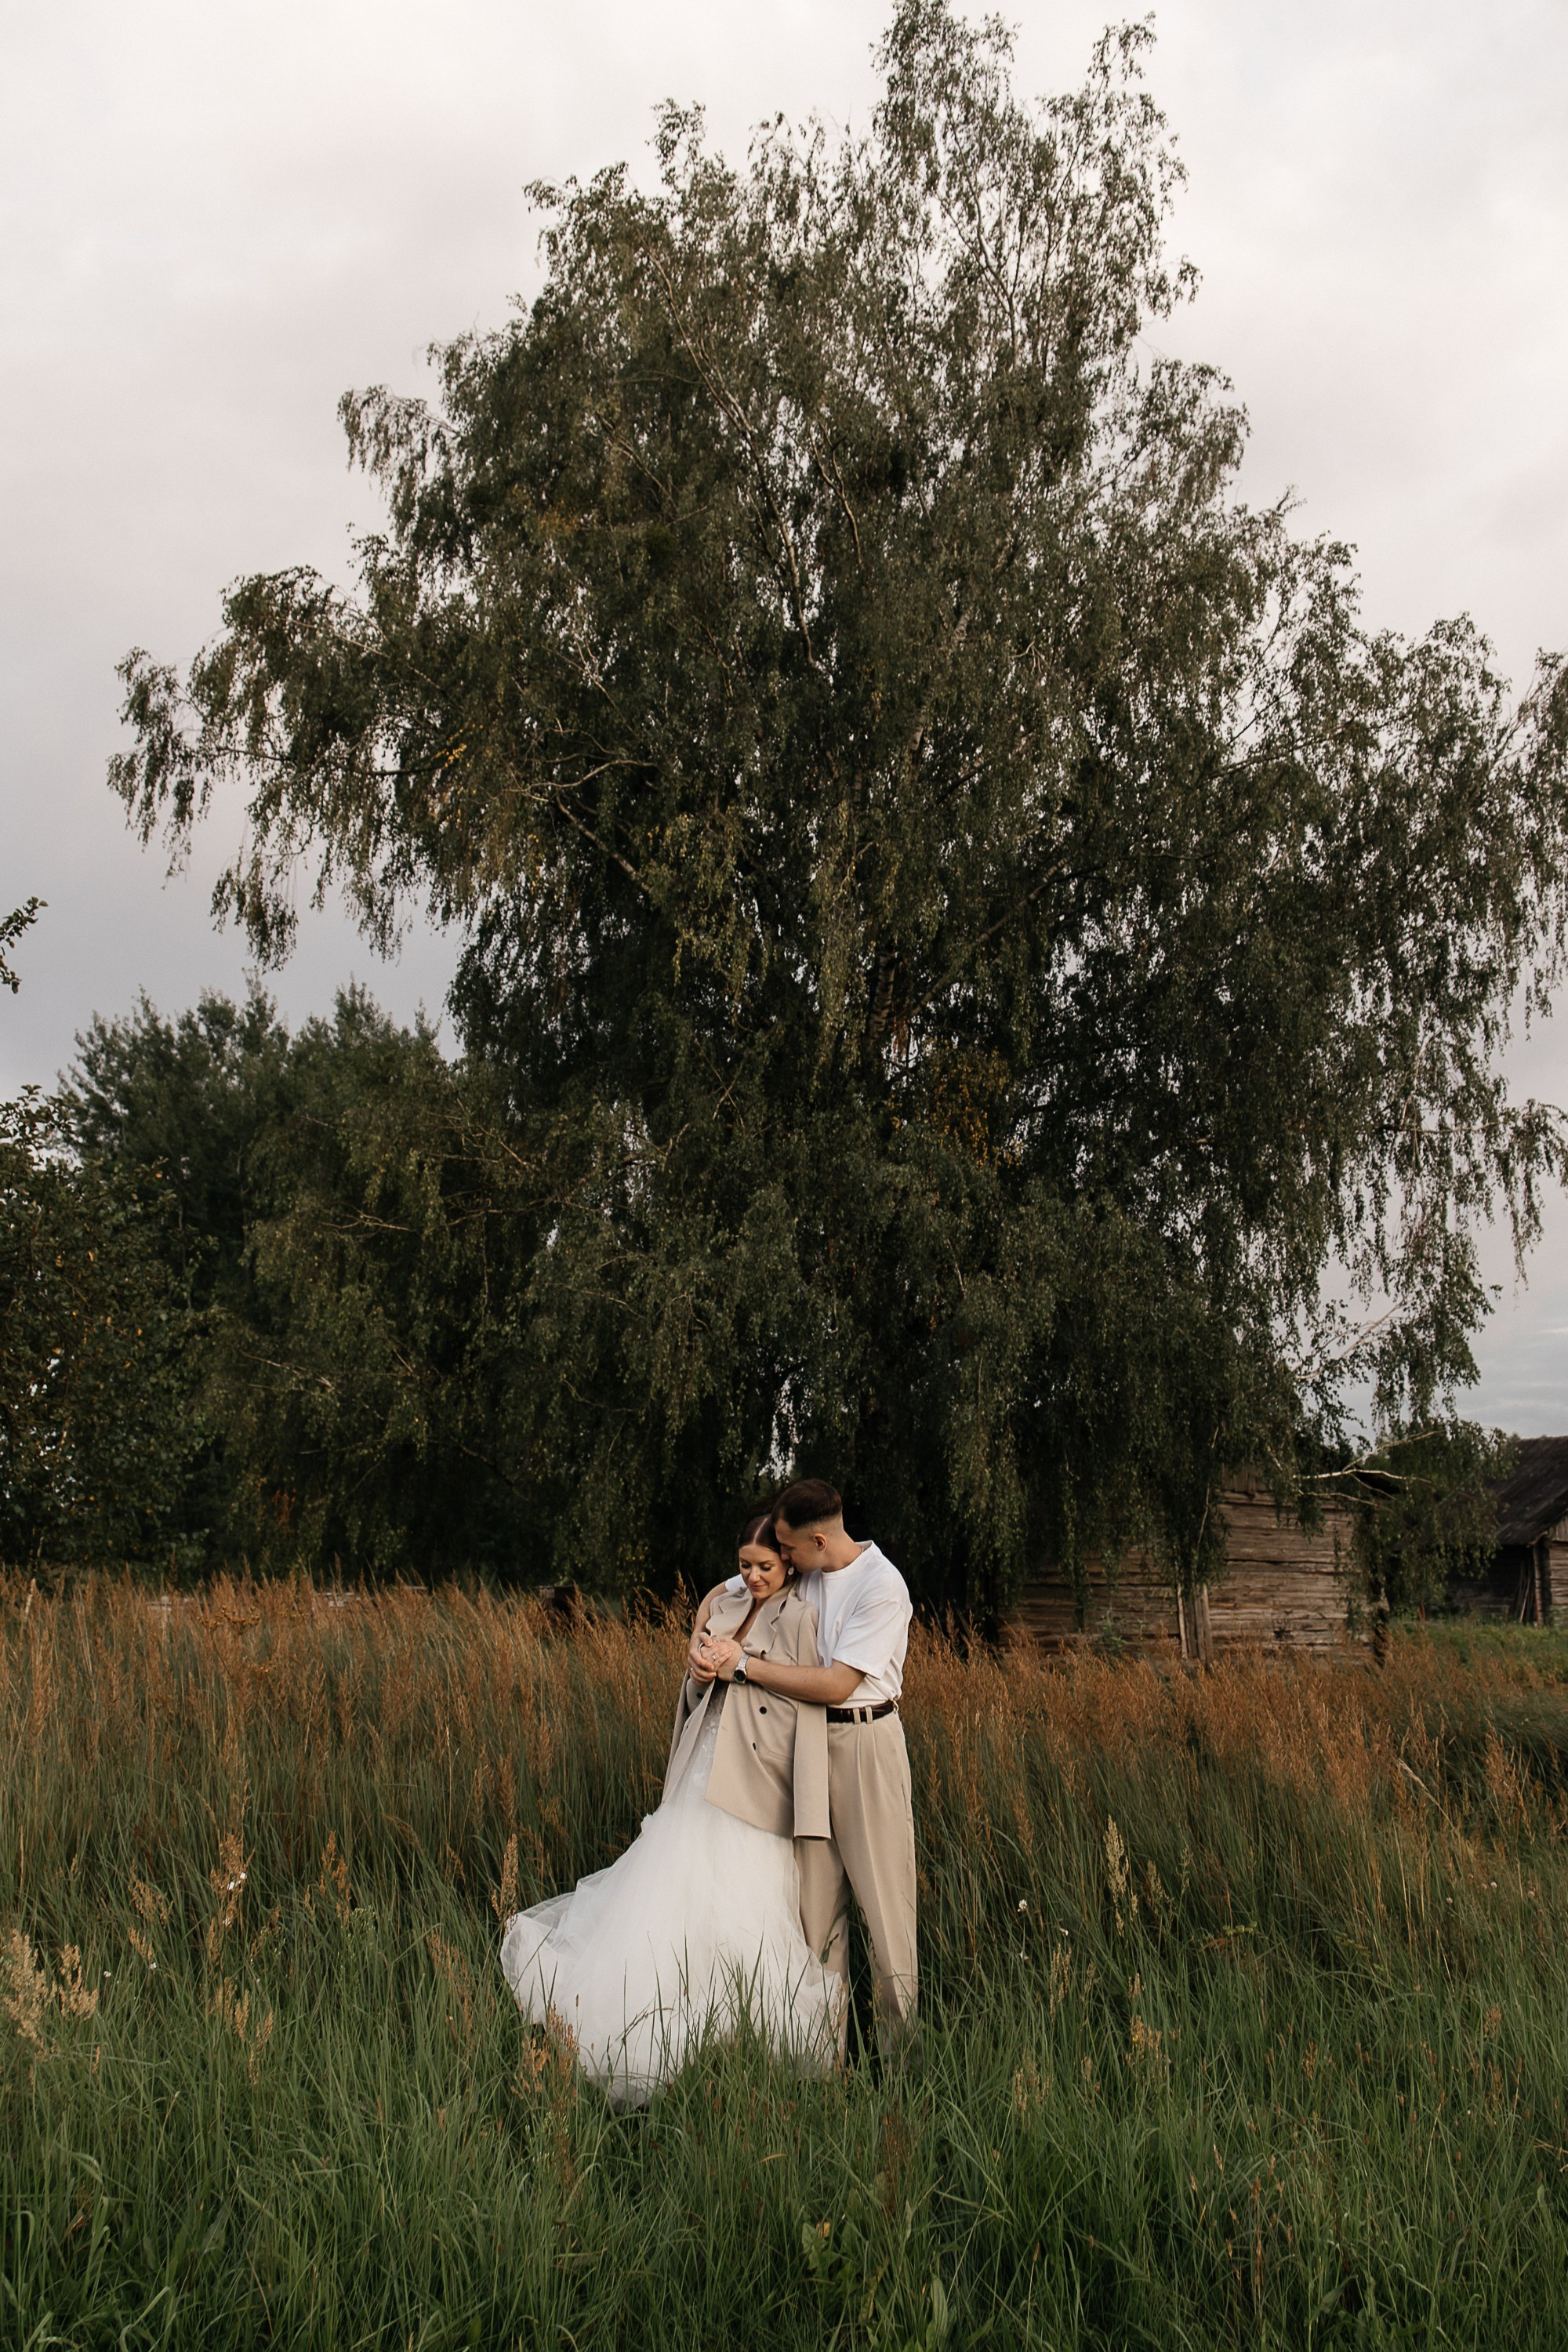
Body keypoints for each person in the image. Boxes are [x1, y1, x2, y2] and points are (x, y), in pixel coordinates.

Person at [499, 1513, 840, 2106]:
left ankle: (738, 2044)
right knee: (675, 1893)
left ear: (788, 1563)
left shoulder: (803, 1617)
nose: (754, 1576)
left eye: (765, 1566)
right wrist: (701, 1671)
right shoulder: (725, 1606)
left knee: (744, 1906)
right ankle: (657, 2031)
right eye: (744, 1565)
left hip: (755, 1779)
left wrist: (744, 1672)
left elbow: (800, 1698)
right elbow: (695, 1679)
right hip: (702, 1768)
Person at [690, 1477, 916, 2050]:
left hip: (865, 1743)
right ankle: (822, 2062)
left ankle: (900, 2064)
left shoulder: (881, 1586)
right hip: (804, 1747)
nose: (780, 1560)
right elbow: (725, 1591)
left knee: (887, 1913)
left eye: (787, 1549)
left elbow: (840, 1684)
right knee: (815, 1917)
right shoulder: (806, 1571)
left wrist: (743, 1667)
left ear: (818, 1542)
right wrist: (700, 1635)